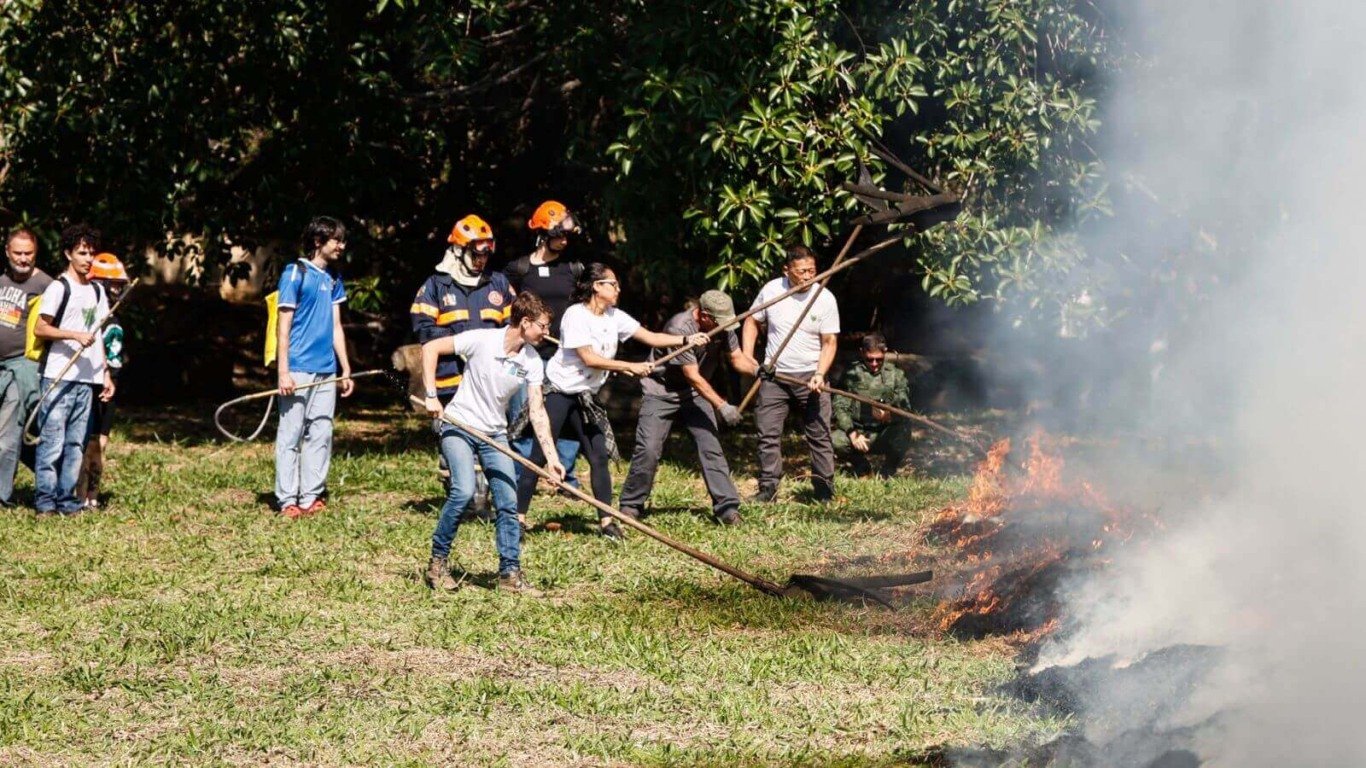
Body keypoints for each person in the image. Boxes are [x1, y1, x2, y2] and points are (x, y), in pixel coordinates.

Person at [515, 263, 709, 539]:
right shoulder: (575, 315)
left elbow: (651, 337)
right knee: (538, 456)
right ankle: (518, 519)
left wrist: (687, 338)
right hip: (559, 392)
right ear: (597, 286)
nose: (618, 289)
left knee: (599, 457)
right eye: (613, 284)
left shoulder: (614, 317)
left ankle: (607, 522)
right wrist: (628, 366)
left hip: (587, 397)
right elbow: (588, 358)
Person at [421, 291, 565, 594]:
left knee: (508, 502)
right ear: (525, 322)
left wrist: (552, 459)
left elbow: (537, 411)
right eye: (542, 326)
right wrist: (431, 395)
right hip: (459, 425)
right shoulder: (481, 340)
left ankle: (509, 575)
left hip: (495, 435)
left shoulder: (531, 361)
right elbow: (431, 347)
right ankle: (437, 563)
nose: (546, 332)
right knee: (463, 491)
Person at [619, 290, 758, 525]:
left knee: (710, 446)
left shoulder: (723, 325)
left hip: (695, 393)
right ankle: (631, 505)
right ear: (703, 315)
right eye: (719, 322)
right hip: (661, 391)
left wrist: (757, 370)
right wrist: (723, 406)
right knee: (649, 449)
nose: (725, 327)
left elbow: (737, 358)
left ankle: (727, 508)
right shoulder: (679, 328)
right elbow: (692, 375)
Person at [410, 215, 514, 510]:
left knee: (489, 440)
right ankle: (461, 497)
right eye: (476, 254)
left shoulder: (498, 284)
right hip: (450, 383)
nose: (482, 260)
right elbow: (424, 331)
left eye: (486, 254)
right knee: (454, 441)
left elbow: (513, 330)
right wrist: (459, 343)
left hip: (488, 384)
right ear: (458, 250)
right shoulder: (436, 286)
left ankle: (482, 501)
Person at [741, 245, 840, 503]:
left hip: (811, 376)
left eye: (812, 270)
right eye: (801, 271)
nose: (808, 276)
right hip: (774, 376)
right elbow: (752, 320)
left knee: (819, 434)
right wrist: (748, 357)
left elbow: (829, 342)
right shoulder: (772, 291)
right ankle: (768, 489)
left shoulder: (824, 297)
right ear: (786, 270)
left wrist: (820, 373)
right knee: (768, 434)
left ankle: (824, 490)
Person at [274, 216, 353, 519]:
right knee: (291, 434)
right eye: (337, 240)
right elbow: (283, 327)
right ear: (319, 241)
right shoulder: (295, 273)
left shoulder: (333, 278)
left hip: (326, 370)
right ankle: (287, 499)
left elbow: (336, 326)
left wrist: (345, 367)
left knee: (321, 432)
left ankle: (310, 496)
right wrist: (283, 372)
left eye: (343, 240)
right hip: (298, 368)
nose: (341, 246)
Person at [32, 224, 113, 517]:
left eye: (91, 253)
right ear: (68, 254)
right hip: (58, 375)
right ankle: (45, 502)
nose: (88, 259)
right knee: (52, 442)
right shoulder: (58, 288)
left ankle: (67, 501)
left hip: (86, 378)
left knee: (76, 444)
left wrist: (105, 373)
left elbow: (98, 335)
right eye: (82, 253)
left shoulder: (97, 291)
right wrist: (73, 335)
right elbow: (41, 328)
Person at [504, 200, 585, 493]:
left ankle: (565, 478)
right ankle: (524, 476)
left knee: (565, 419)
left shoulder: (573, 269)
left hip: (563, 357)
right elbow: (507, 308)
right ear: (542, 234)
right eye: (558, 235)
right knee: (521, 415)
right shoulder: (519, 269)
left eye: (567, 236)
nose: (564, 241)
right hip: (526, 357)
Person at [0, 229, 53, 506]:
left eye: (28, 253)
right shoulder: (1, 282)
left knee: (7, 434)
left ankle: (1, 497)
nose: (23, 258)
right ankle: (52, 478)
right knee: (15, 435)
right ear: (7, 252)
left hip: (22, 366)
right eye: (17, 253)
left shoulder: (46, 285)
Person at [75, 253, 129, 508]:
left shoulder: (115, 319)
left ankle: (92, 497)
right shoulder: (89, 315)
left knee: (100, 445)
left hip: (109, 387)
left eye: (120, 285)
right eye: (113, 285)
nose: (117, 291)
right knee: (83, 445)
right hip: (88, 384)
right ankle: (78, 495)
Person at [832, 333, 914, 477]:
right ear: (862, 353)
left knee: (904, 432)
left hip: (884, 434)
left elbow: (905, 406)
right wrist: (852, 433)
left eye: (879, 359)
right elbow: (840, 407)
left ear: (885, 353)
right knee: (835, 440)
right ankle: (862, 467)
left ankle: (888, 470)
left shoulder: (896, 375)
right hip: (859, 433)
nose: (874, 364)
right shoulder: (851, 374)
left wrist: (890, 415)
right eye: (869, 359)